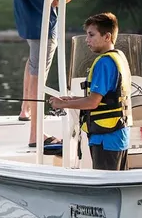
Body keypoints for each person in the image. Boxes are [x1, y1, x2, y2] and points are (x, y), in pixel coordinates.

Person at [10, 0, 94, 147]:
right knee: (40, 74)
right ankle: (36, 135)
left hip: (26, 19)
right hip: (44, 22)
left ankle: (25, 109)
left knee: (33, 62)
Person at [50, 12, 131, 171]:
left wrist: (61, 104)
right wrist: (71, 99)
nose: (87, 40)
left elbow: (92, 102)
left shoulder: (104, 63)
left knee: (106, 186)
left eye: (91, 35)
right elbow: (104, 98)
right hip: (118, 134)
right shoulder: (119, 57)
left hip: (106, 138)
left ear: (107, 37)